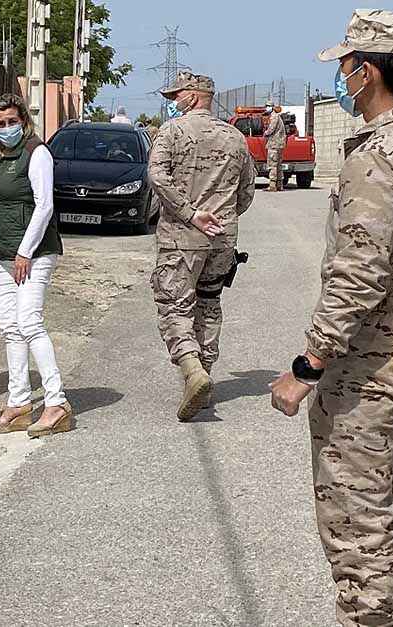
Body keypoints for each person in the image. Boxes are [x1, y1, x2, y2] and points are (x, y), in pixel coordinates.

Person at [269, 10, 393, 626]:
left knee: (357, 521)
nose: (341, 78)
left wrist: (309, 363)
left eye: (345, 66)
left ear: (368, 72)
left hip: (376, 349)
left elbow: (358, 273)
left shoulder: (377, 155)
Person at [149, 71, 255, 422]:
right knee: (209, 302)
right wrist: (221, 217)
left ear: (192, 96)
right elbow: (247, 191)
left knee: (175, 306)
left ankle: (193, 370)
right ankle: (206, 372)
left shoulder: (173, 131)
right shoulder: (235, 137)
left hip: (182, 237)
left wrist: (191, 214)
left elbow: (157, 176)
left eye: (176, 95)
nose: (172, 102)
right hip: (223, 238)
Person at [0, 94, 73, 438]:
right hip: (2, 255)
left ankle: (56, 403)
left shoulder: (36, 153)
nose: (7, 128)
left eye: (13, 122)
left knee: (29, 322)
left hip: (35, 254)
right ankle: (18, 402)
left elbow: (44, 207)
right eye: (0, 123)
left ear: (23, 122)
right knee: (9, 327)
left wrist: (25, 252)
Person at [263, 100, 287, 192]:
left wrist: (265, 133)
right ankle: (279, 184)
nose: (266, 108)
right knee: (278, 165)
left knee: (272, 165)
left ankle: (273, 185)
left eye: (267, 106)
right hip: (279, 144)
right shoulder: (277, 117)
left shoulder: (274, 117)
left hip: (274, 144)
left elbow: (271, 129)